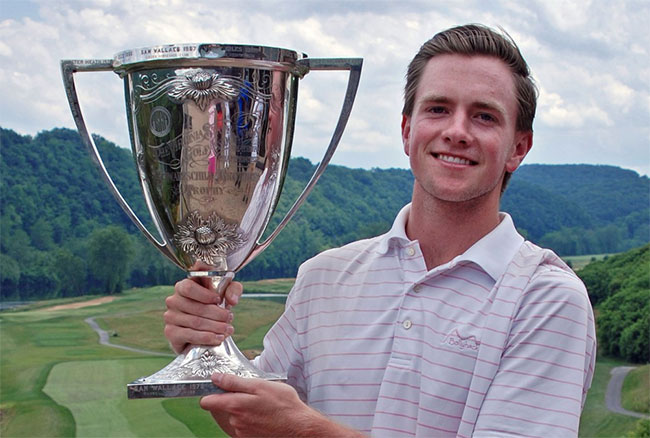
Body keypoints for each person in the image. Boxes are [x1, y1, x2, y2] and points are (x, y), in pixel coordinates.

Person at [163, 24, 596, 437]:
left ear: (517, 148)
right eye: (438, 109)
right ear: (407, 131)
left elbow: (290, 428)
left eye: (484, 117)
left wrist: (308, 432)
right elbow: (257, 422)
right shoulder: (324, 277)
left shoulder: (547, 300)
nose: (456, 131)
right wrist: (204, 348)